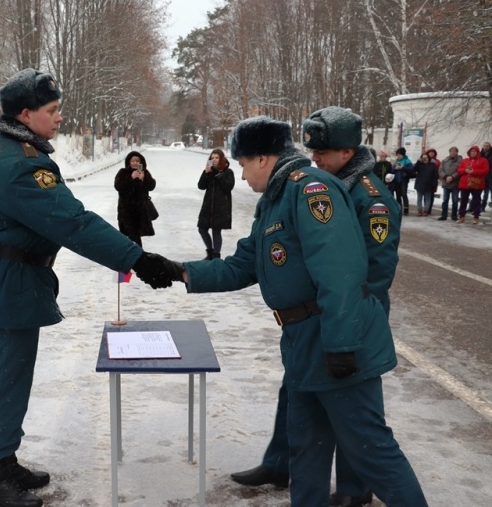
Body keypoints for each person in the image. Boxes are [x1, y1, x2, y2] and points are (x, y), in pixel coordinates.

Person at [151, 116, 426, 507]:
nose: (242, 175)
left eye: (243, 164)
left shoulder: (311, 191)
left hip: (335, 339)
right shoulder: (275, 200)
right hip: (302, 342)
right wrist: (178, 271)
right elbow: (241, 265)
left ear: (263, 158)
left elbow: (341, 273)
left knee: (371, 449)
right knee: (307, 448)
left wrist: (341, 344)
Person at [0, 68, 168, 507]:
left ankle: (4, 460)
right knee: (2, 380)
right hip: (4, 283)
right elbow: (73, 222)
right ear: (25, 113)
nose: (59, 118)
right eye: (52, 111)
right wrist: (137, 258)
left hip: (10, 280)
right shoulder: (20, 164)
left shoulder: (17, 151)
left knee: (11, 377)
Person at [232, 107, 402, 507]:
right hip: (314, 324)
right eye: (312, 150)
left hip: (347, 320)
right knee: (300, 404)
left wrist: (346, 335)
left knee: (358, 425)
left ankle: (353, 488)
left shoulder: (369, 196)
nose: (315, 157)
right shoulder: (309, 185)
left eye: (323, 151)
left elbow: (371, 274)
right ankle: (280, 462)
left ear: (348, 151)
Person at [196, 148, 235, 260]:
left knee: (216, 231)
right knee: (202, 229)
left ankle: (216, 256)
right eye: (212, 158)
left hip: (221, 206)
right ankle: (210, 252)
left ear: (221, 158)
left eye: (217, 158)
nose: (214, 160)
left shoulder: (228, 172)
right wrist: (205, 173)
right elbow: (201, 186)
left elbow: (228, 187)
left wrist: (217, 174)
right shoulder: (210, 171)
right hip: (208, 205)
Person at [114, 150, 156, 246]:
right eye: (133, 161)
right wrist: (131, 178)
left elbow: (151, 186)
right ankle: (137, 256)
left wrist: (143, 179)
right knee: (132, 236)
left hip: (140, 210)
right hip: (126, 211)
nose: (135, 163)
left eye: (137, 161)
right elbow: (118, 186)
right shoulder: (123, 172)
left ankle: (135, 256)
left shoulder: (145, 173)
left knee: (135, 236)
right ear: (129, 162)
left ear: (141, 163)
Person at [457, 145, 490, 224]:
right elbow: (459, 169)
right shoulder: (465, 160)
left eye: (474, 151)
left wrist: (474, 171)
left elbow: (486, 170)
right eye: (471, 151)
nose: (473, 153)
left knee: (476, 201)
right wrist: (465, 170)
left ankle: (476, 217)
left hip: (476, 184)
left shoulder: (483, 160)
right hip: (465, 184)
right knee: (463, 201)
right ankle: (461, 216)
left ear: (478, 152)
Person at [412, 152, 439, 216]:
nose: (425, 159)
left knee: (428, 198)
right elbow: (413, 170)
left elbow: (435, 175)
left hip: (429, 184)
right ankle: (419, 210)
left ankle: (426, 210)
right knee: (419, 198)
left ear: (429, 158)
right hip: (420, 184)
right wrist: (418, 162)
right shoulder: (419, 165)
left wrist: (434, 183)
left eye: (426, 157)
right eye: (423, 158)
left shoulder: (433, 165)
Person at [393, 147, 413, 215]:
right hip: (397, 180)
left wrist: (402, 167)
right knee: (398, 195)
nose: (398, 156)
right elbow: (392, 170)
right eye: (397, 155)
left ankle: (406, 209)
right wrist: (395, 169)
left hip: (404, 180)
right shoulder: (396, 161)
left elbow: (411, 169)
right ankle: (399, 208)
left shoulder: (407, 160)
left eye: (399, 155)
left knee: (404, 194)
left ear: (403, 154)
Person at [481, 141, 492, 211]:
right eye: (485, 146)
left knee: (489, 192)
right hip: (483, 176)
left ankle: (483, 206)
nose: (486, 147)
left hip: (491, 176)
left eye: (487, 146)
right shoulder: (480, 154)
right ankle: (482, 206)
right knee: (484, 193)